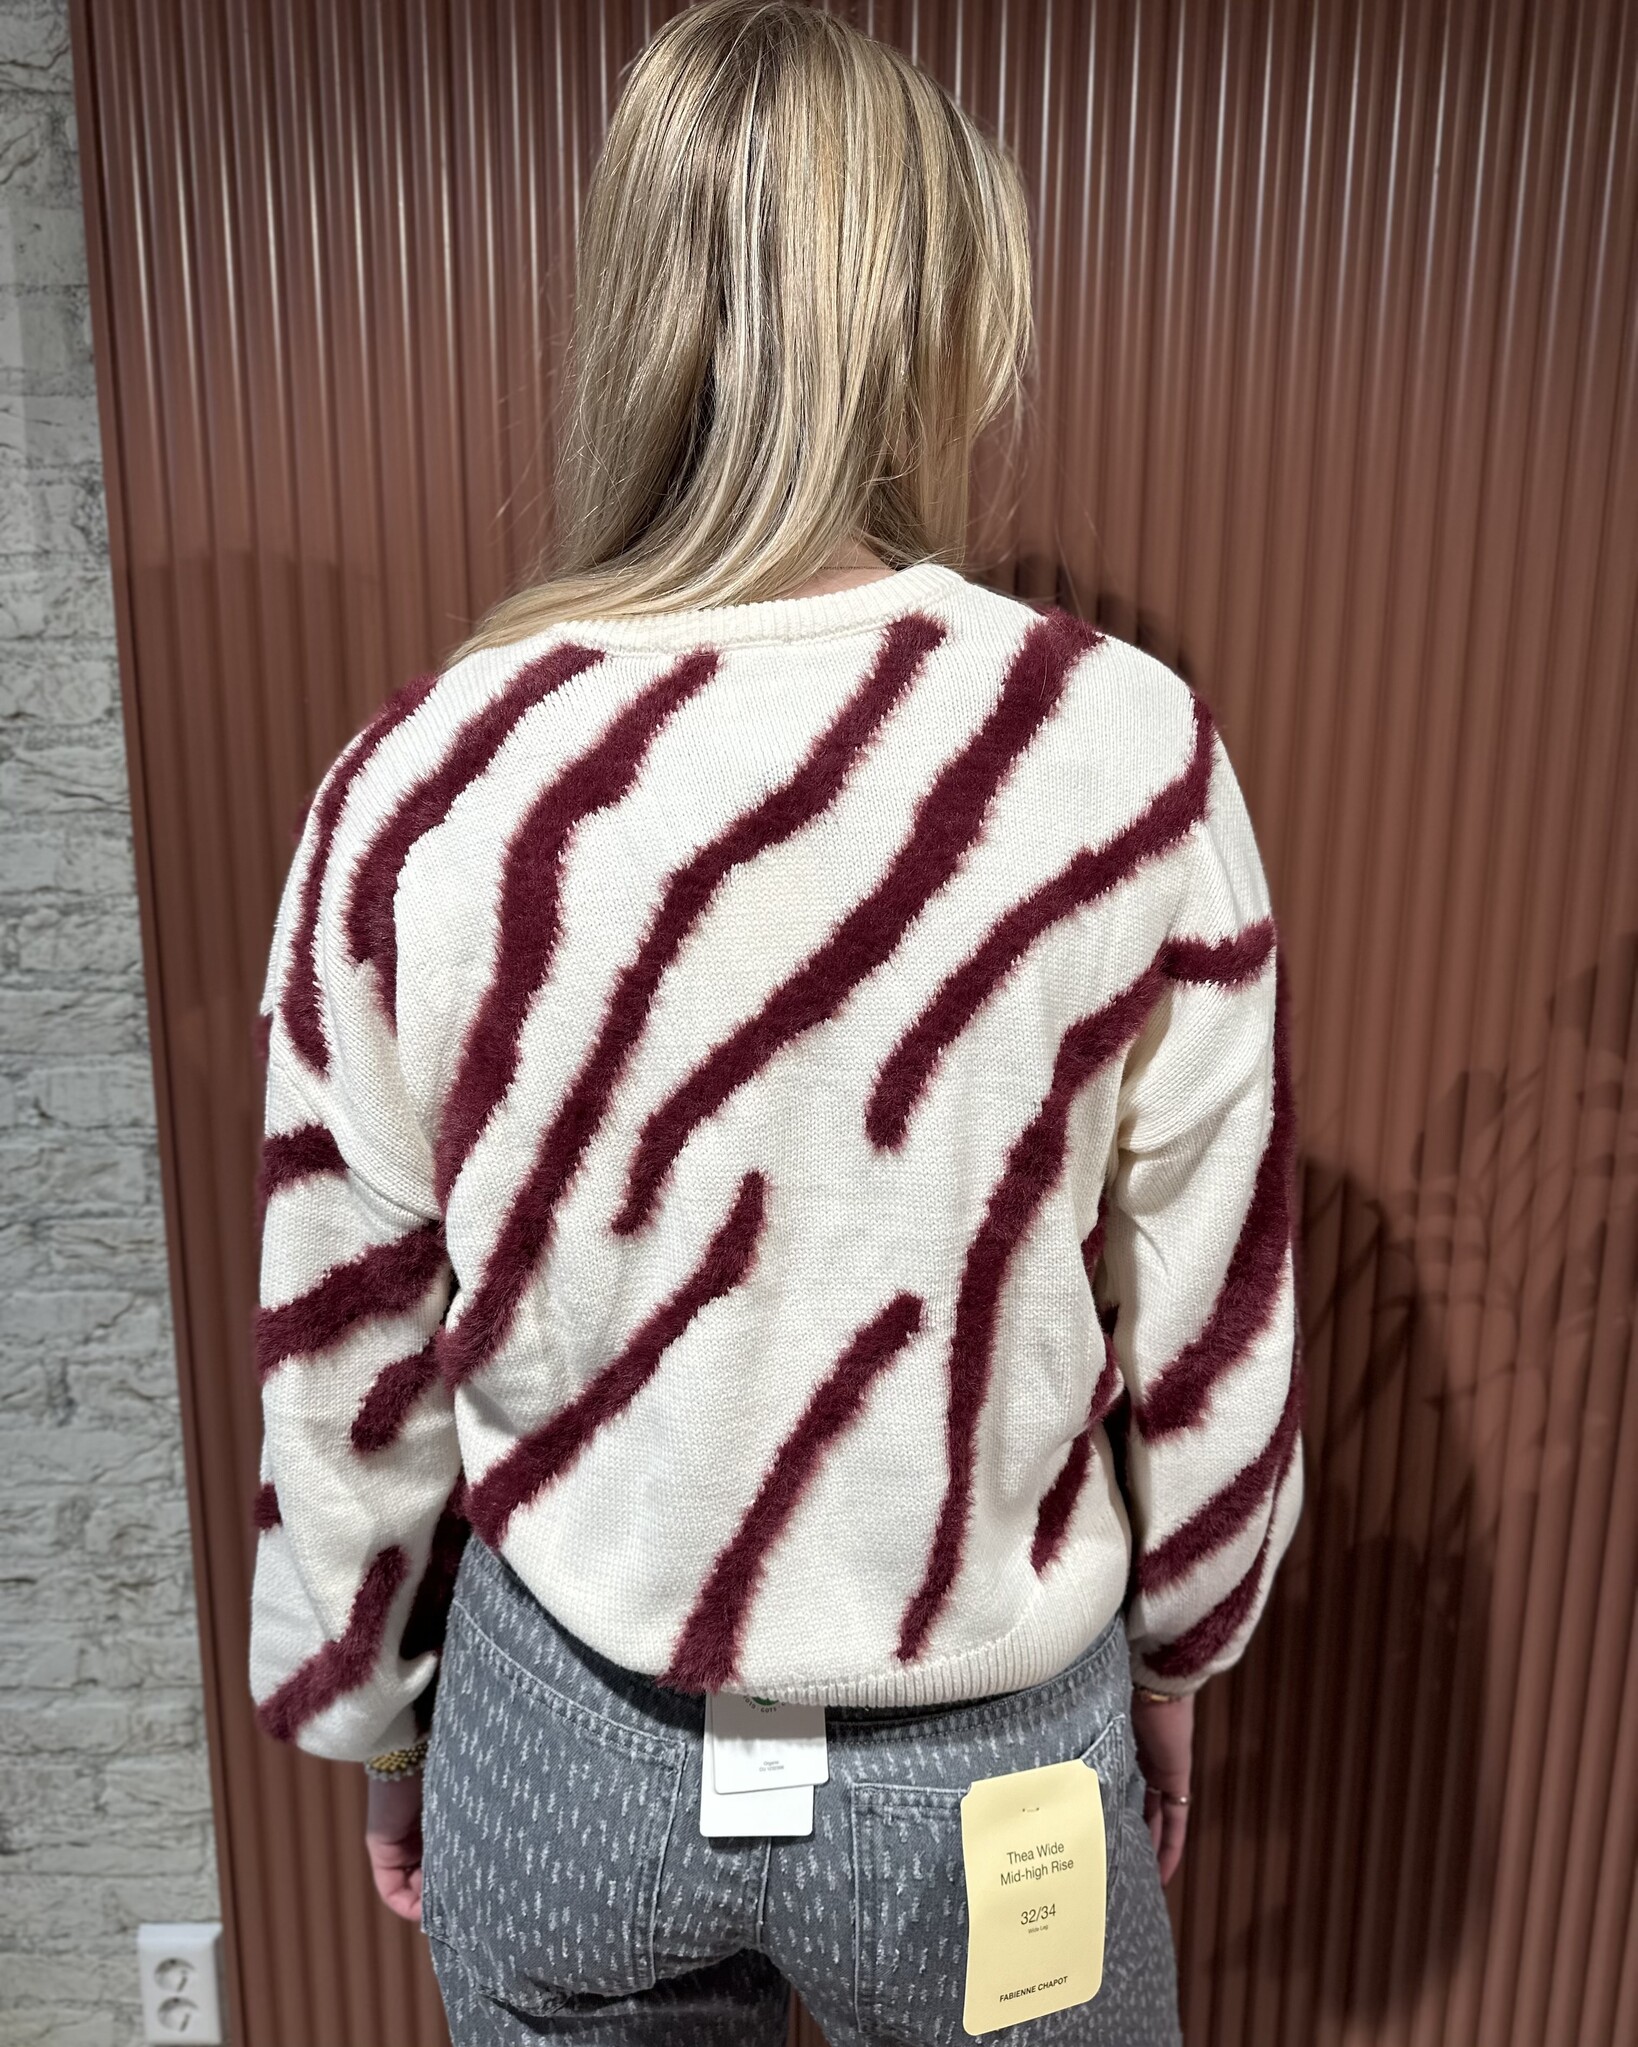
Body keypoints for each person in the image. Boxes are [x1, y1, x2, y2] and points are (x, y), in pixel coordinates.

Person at [246, 3, 1304, 2041]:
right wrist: (1180, 1652)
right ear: (936, 317)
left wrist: (379, 1720)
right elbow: (1210, 1310)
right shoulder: (1121, 754)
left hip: (567, 1727)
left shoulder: (427, 783)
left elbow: (341, 1339)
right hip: (987, 1753)